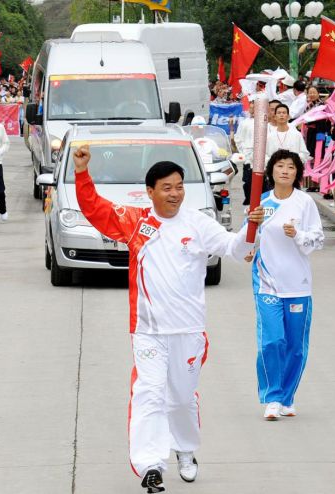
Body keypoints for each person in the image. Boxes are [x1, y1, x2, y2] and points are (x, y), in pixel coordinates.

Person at [73, 146, 263, 493]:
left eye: (179, 186)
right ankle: (151, 465)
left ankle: (186, 450)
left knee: (181, 398)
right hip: (148, 331)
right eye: (167, 187)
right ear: (151, 192)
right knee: (150, 393)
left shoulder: (197, 222)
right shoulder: (135, 222)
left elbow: (234, 250)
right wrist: (83, 173)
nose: (175, 193)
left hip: (189, 330)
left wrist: (250, 231)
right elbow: (94, 209)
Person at [248, 149, 324, 420]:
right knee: (272, 341)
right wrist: (247, 240)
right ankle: (272, 397)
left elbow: (318, 238)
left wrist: (298, 235)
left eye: (290, 167)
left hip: (298, 284)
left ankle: (288, 397)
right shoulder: (262, 202)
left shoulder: (305, 203)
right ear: (271, 171)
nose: (284, 171)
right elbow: (248, 236)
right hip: (267, 282)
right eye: (279, 166)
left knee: (295, 345)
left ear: (297, 173)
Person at [231, 100, 255, 205]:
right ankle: (249, 198)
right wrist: (243, 151)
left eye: (255, 108)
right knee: (247, 180)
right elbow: (238, 138)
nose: (253, 110)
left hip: (262, 155)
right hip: (248, 154)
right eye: (251, 108)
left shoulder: (265, 122)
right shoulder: (244, 122)